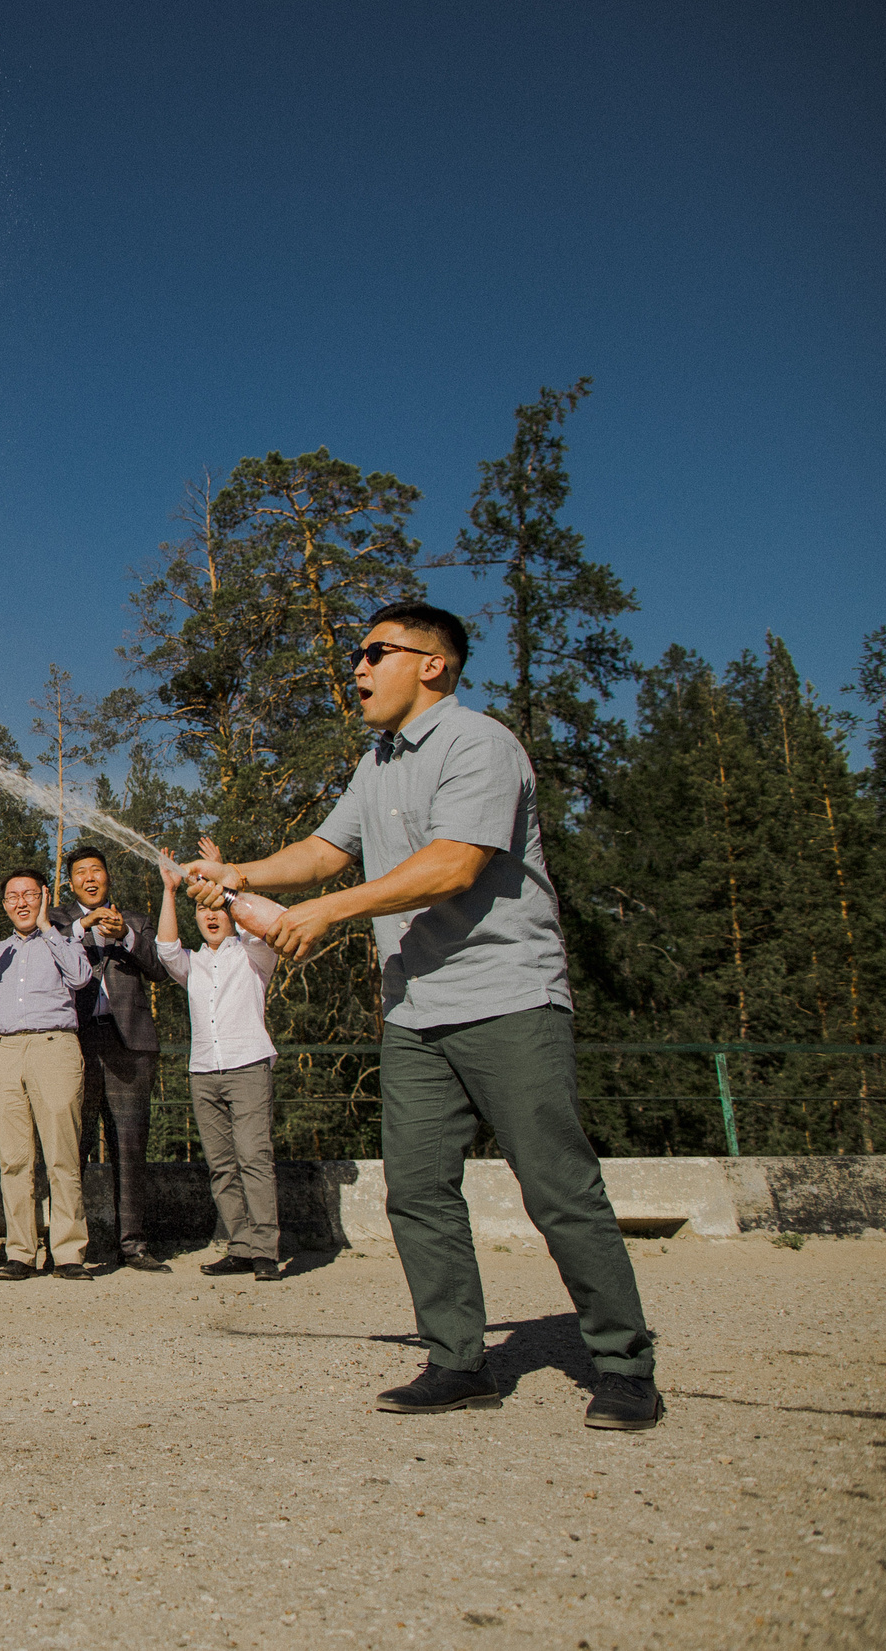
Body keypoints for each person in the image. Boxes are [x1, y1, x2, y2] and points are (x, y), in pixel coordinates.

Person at [183, 600, 661, 1431]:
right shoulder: (376, 762)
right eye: (355, 656)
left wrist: (330, 913)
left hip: (507, 996)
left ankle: (623, 1366)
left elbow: (453, 864)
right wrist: (240, 874)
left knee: (558, 1188)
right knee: (419, 1190)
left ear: (432, 664)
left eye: (374, 652)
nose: (356, 668)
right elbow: (328, 850)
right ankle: (458, 1359)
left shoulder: (481, 743)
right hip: (413, 1007)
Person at [0, 866, 96, 1282]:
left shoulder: (63, 941)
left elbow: (82, 977)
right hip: (7, 1052)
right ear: (3, 905)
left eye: (29, 895)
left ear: (44, 897)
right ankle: (20, 1252)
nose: (21, 903)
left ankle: (68, 1253)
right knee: (14, 1159)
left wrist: (50, 928)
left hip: (55, 1047)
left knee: (61, 1158)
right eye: (13, 896)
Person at [154, 839, 282, 1280]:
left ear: (229, 913)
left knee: (254, 1159)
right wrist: (170, 890)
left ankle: (266, 1249)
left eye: (218, 909)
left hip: (248, 1066)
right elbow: (166, 950)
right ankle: (241, 1245)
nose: (210, 916)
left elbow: (269, 924)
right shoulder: (192, 963)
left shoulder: (254, 954)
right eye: (203, 910)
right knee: (222, 1166)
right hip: (203, 1071)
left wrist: (227, 874)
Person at [60, 844, 178, 1272]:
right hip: (77, 1046)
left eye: (96, 871)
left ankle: (133, 1245)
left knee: (130, 1147)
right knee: (74, 1147)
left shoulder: (139, 921)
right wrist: (84, 928)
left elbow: (161, 969)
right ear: (69, 882)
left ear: (108, 878)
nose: (89, 878)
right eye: (80, 873)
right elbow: (54, 952)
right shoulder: (57, 922)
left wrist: (123, 935)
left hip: (129, 1046)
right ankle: (71, 1244)